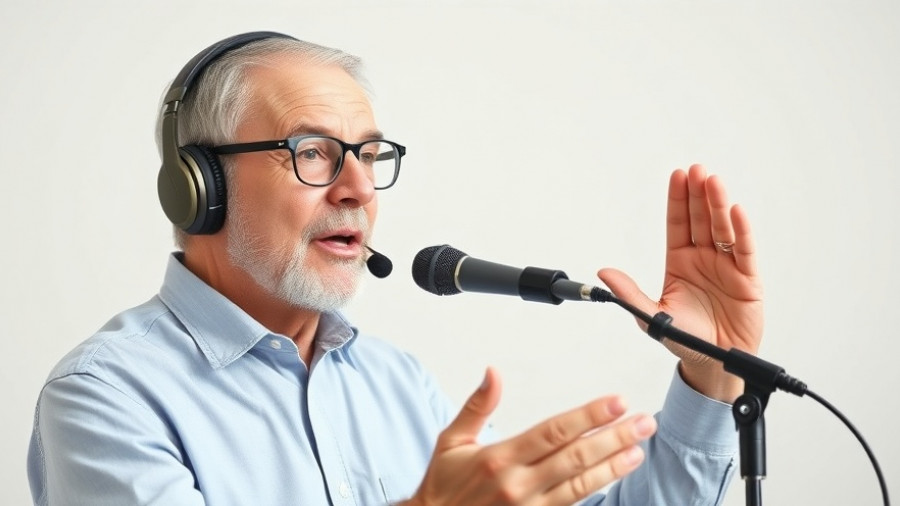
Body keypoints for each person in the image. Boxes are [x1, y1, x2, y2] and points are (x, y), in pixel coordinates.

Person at [27, 31, 762, 505]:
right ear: (200, 187)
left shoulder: (396, 383)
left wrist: (712, 372)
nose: (358, 188)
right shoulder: (104, 396)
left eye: (370, 155)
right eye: (312, 152)